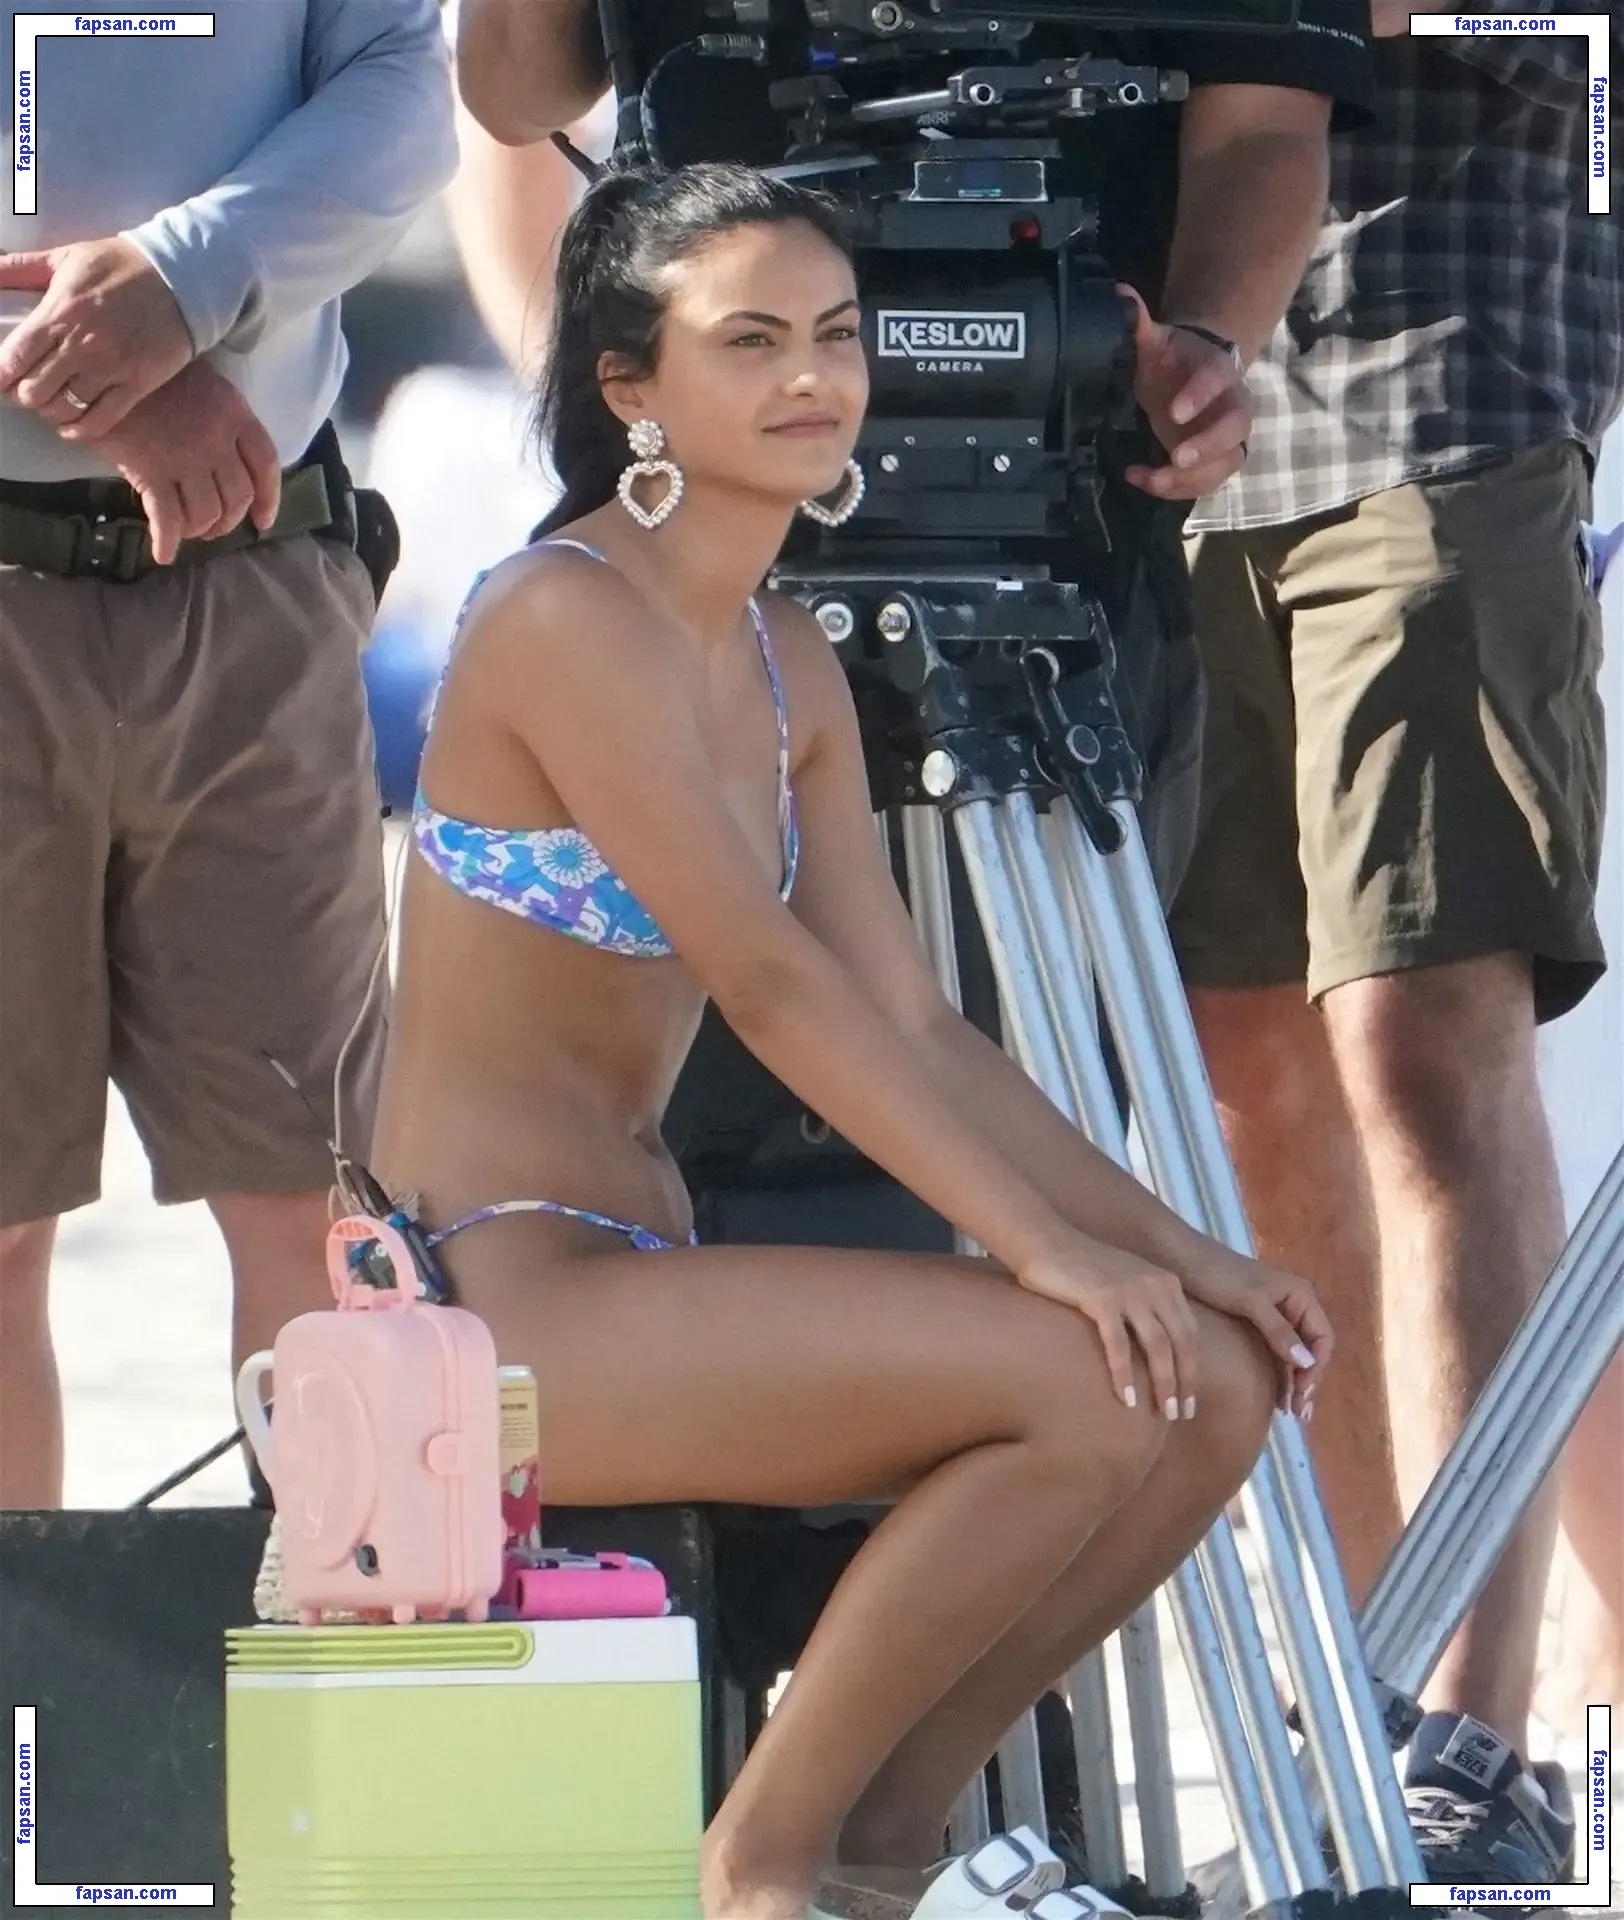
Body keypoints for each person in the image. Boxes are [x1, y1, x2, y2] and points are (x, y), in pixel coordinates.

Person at [370, 160, 1331, 1920]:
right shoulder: (561, 613)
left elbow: (908, 1019)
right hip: (481, 1305)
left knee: (1214, 1382)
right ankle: (760, 1867)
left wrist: (1187, 1253)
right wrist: (1043, 1253)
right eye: (749, 341)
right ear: (629, 385)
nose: (813, 376)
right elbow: (769, 985)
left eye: (835, 334)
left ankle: (888, 1860)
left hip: (630, 1273)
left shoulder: (781, 653)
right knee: (1082, 1381)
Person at [1169, 0, 1623, 1887]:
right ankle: (1367, 1704)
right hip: (1148, 418)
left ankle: (1473, 1732)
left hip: (1447, 397)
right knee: (1239, 1076)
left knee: (1426, 1054)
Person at [452, 0, 1377, 901]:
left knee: (1056, 989)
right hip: (697, 489)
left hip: (1061, 486)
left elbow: (1268, 114)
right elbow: (511, 96)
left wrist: (1207, 344)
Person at [0, 0, 456, 1508]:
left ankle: (348, 1647)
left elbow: (404, 89)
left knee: (327, 1215)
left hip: (256, 585)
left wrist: (185, 281)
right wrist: (103, 358)